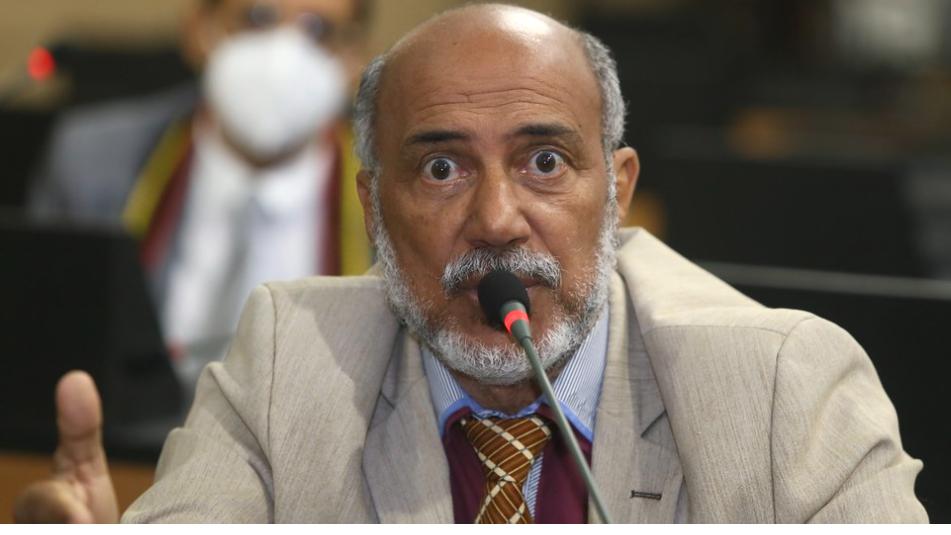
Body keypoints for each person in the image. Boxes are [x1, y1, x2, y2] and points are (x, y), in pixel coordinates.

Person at [14, 4, 927, 523]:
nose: (495, 220)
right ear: (374, 206)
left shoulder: (784, 388)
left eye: (544, 162)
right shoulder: (287, 358)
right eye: (441, 169)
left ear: (615, 190)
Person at [28, 0, 373, 388]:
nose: (284, 51)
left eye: (318, 31)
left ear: (354, 57)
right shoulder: (93, 162)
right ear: (199, 31)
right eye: (258, 19)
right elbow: (43, 346)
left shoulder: (391, 193)